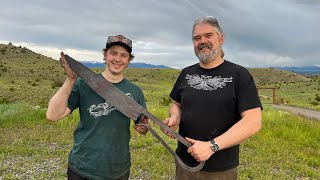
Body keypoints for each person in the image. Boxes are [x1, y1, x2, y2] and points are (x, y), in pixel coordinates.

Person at [163, 16, 263, 179]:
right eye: (197, 38)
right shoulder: (186, 73)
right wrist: (175, 117)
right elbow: (177, 104)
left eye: (208, 35)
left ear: (221, 38)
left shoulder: (239, 75)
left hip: (220, 170)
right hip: (184, 164)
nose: (202, 41)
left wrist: (212, 146)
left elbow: (253, 121)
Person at [46, 35, 149, 180]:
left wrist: (144, 128)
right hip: (82, 167)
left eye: (123, 55)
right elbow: (53, 115)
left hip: (118, 169)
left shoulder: (135, 91)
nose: (118, 59)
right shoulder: (84, 83)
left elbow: (144, 125)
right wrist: (70, 79)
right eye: (113, 53)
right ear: (105, 55)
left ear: (129, 60)